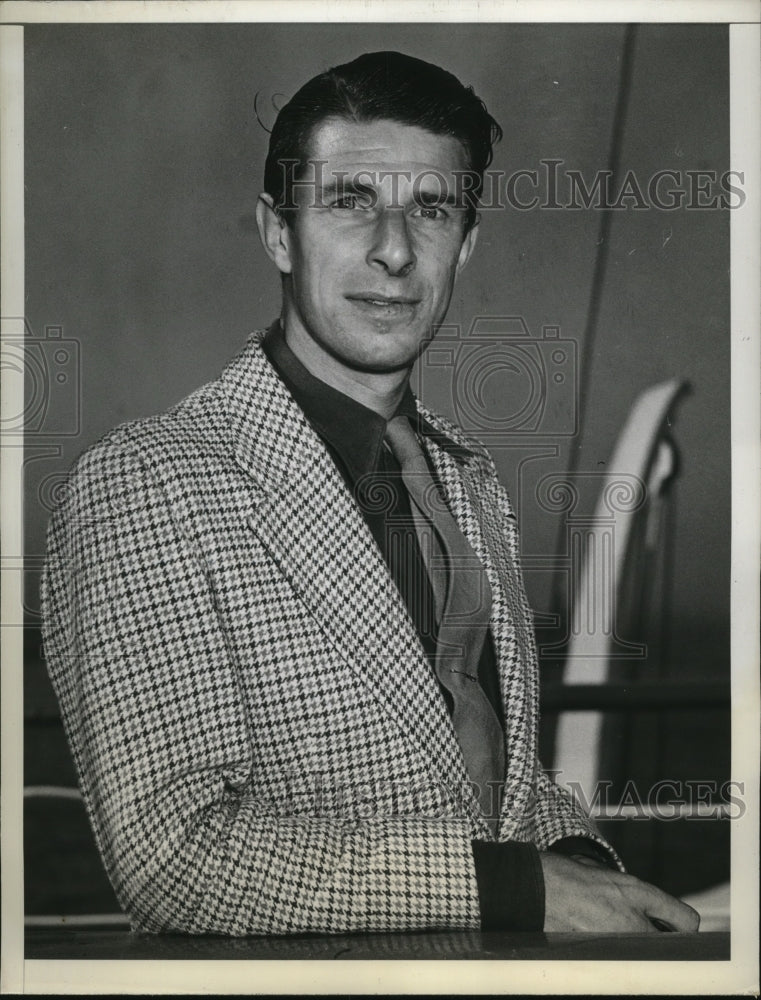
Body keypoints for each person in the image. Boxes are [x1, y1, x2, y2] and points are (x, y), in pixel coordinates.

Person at [41, 50, 699, 937]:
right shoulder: (148, 484)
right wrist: (521, 891)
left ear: (464, 245)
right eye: (350, 202)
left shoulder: (468, 482)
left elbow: (491, 777)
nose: (393, 251)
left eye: (429, 210)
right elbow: (174, 857)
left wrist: (578, 865)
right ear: (279, 233)